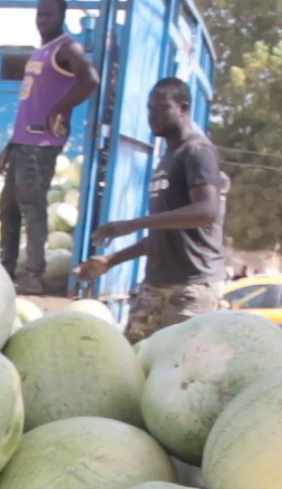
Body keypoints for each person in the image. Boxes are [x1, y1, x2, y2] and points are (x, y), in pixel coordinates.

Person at [73, 77, 223, 342]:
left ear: (183, 108)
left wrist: (134, 223)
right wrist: (110, 261)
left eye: (161, 108)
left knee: (178, 361)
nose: (152, 116)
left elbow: (206, 211)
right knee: (133, 357)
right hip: (155, 285)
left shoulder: (197, 151)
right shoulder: (167, 158)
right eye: (149, 109)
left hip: (190, 287)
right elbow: (164, 234)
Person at [0, 0, 97, 294]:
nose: (42, 20)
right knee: (8, 208)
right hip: (23, 142)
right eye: (39, 14)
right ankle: (5, 268)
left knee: (32, 207)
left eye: (48, 14)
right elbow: (29, 104)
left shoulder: (67, 48)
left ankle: (33, 276)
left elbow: (90, 79)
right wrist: (10, 145)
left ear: (61, 16)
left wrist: (59, 109)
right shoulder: (40, 52)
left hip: (41, 143)